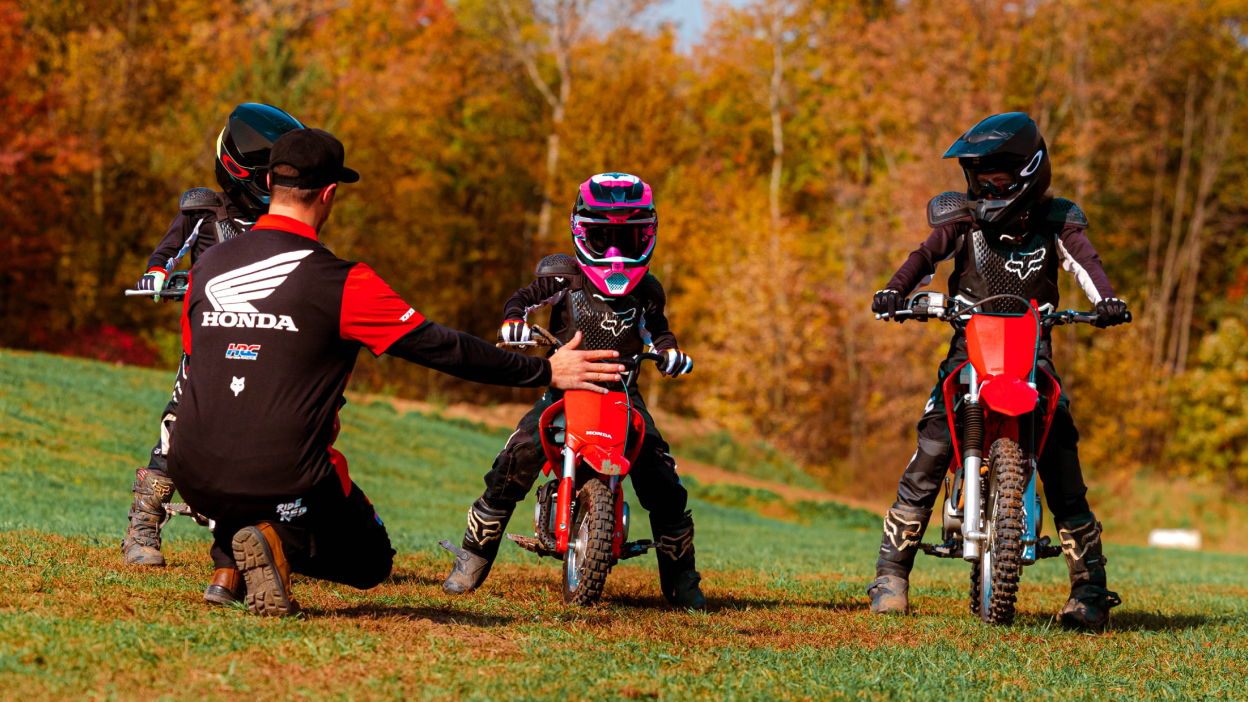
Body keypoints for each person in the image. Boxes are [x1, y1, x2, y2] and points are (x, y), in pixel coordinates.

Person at [167, 129, 625, 617]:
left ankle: (228, 564)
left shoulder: (207, 266)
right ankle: (276, 538)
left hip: (191, 472)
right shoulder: (341, 280)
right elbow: (440, 347)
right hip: (282, 475)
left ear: (269, 184)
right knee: (371, 561)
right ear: (329, 194)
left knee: (244, 452)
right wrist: (544, 370)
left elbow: (202, 365)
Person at [867, 113, 1130, 630]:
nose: (987, 186)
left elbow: (1087, 264)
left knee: (1062, 464)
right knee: (932, 449)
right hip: (968, 354)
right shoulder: (959, 218)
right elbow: (924, 256)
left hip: (1034, 359)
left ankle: (1090, 591)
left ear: (1030, 171)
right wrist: (895, 290)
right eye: (980, 177)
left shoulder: (1057, 220)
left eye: (999, 179)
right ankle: (891, 574)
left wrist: (1108, 301)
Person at [440, 173, 705, 609]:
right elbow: (521, 300)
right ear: (581, 232)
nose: (616, 253)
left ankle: (682, 578)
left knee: (664, 481)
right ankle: (472, 556)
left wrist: (671, 353)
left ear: (649, 235)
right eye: (603, 238)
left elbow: (659, 333)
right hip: (563, 391)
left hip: (624, 395)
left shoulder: (648, 290)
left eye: (629, 237)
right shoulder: (562, 277)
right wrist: (513, 323)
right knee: (515, 459)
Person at [122, 103, 304, 599]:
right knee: (177, 428)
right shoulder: (204, 211)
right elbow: (167, 251)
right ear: (245, 172)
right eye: (271, 177)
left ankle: (249, 547)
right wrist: (159, 273)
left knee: (255, 435)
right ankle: (143, 527)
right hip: (205, 343)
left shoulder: (285, 224)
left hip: (262, 343)